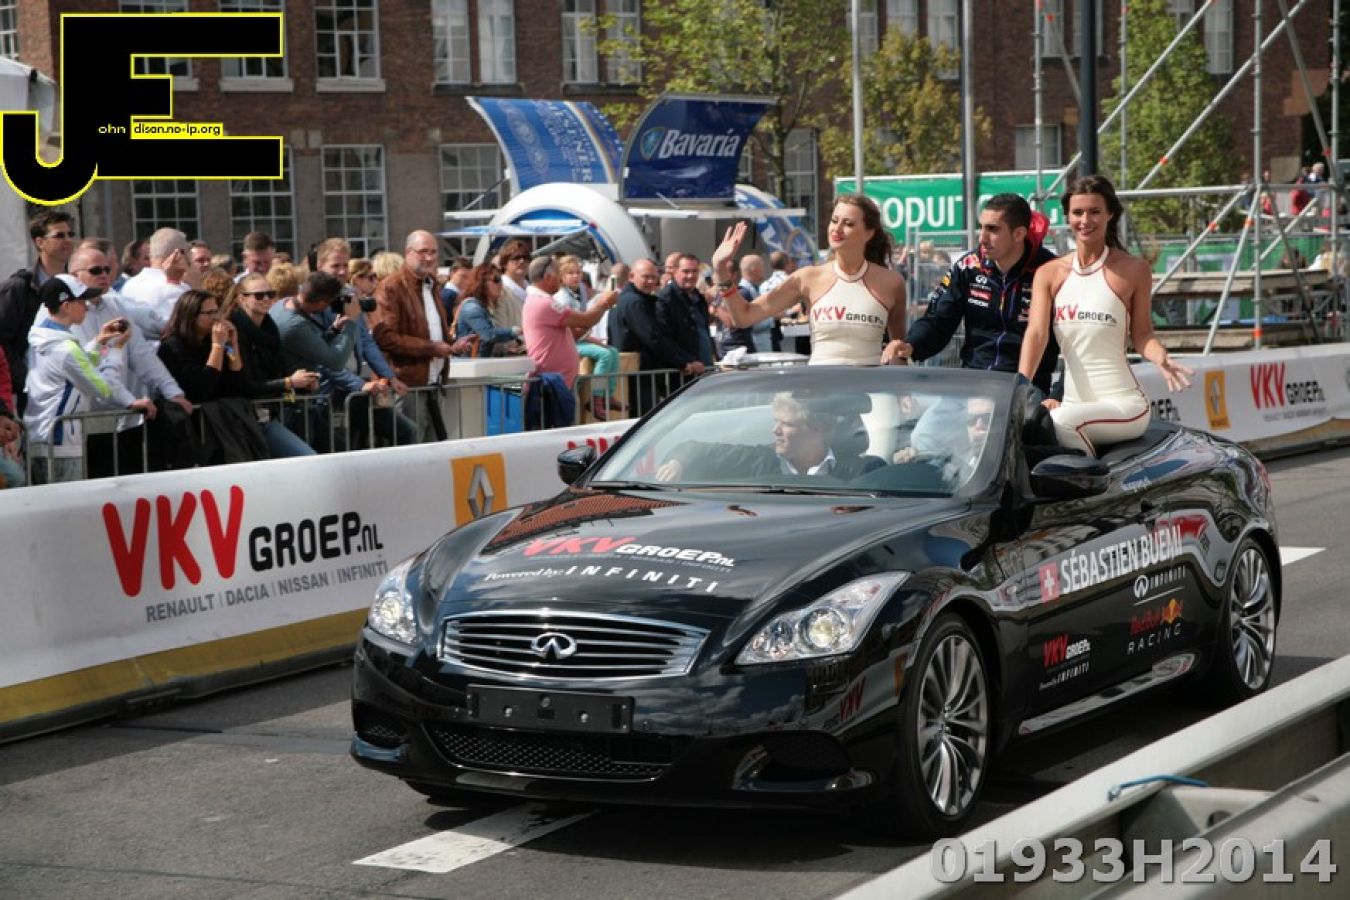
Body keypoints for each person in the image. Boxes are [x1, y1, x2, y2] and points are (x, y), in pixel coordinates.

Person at [1019, 175, 1195, 457]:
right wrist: (1020, 386)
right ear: (1067, 216)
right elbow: (1036, 334)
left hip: (1124, 406)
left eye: (1094, 211)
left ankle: (1097, 482)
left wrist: (1160, 356)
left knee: (1060, 422)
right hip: (1073, 405)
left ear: (1110, 214)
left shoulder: (1134, 269)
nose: (1085, 220)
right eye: (1077, 212)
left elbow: (1142, 335)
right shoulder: (1049, 273)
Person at [886, 193, 1062, 393]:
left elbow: (1073, 339)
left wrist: (1057, 395)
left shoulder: (1050, 271)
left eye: (993, 229)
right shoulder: (968, 266)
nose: (982, 238)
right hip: (973, 384)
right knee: (930, 414)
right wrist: (911, 345)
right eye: (981, 227)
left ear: (1019, 234)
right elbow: (938, 319)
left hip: (1027, 389)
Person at [710, 194, 908, 366]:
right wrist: (720, 269)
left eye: (848, 224)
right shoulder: (807, 277)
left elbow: (899, 351)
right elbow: (743, 317)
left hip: (870, 391)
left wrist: (902, 383)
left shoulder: (892, 283)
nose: (837, 229)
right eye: (834, 221)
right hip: (822, 389)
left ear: (869, 233)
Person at [24, 275, 152, 483]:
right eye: (82, 301)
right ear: (66, 305)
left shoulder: (43, 338)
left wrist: (100, 342)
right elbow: (104, 388)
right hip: (61, 444)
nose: (87, 306)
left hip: (39, 439)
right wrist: (117, 349)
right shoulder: (66, 348)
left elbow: (77, 367)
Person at [655, 392, 881, 482]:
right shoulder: (760, 459)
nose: (775, 430)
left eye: (786, 424)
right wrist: (678, 463)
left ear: (818, 429)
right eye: (776, 421)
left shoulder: (861, 471)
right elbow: (698, 450)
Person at [371, 230, 457, 441]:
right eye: (423, 251)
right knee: (411, 449)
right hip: (407, 384)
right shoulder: (391, 287)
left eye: (433, 252)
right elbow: (385, 337)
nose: (429, 257)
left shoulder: (432, 285)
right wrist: (431, 348)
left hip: (434, 382)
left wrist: (452, 344)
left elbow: (432, 329)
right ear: (408, 252)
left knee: (434, 450)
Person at [221, 274, 320, 457]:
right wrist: (289, 382)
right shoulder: (233, 331)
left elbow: (278, 370)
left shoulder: (269, 327)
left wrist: (302, 384)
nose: (266, 299)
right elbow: (243, 384)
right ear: (241, 298)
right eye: (259, 295)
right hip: (243, 419)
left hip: (270, 413)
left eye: (270, 294)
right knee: (307, 458)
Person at [522, 256, 617, 426]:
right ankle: (598, 398)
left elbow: (576, 332)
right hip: (553, 387)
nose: (561, 279)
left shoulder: (541, 301)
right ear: (547, 277)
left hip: (558, 384)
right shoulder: (544, 303)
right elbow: (586, 320)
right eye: (558, 273)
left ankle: (601, 396)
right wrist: (604, 303)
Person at [0, 211, 75, 416]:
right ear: (40, 242)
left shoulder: (76, 285)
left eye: (70, 234)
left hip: (69, 389)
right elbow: (2, 339)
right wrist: (26, 377)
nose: (68, 240)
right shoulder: (18, 288)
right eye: (59, 235)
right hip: (30, 395)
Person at [554, 255, 622, 420]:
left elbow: (583, 322)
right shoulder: (561, 297)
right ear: (561, 277)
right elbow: (571, 329)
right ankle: (596, 397)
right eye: (570, 273)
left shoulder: (581, 292)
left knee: (613, 352)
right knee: (604, 354)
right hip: (568, 341)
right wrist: (590, 337)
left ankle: (607, 394)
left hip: (580, 337)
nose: (575, 276)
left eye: (578, 272)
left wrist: (588, 335)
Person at [119, 227, 195, 341]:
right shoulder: (178, 289)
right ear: (178, 254)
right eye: (188, 252)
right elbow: (190, 329)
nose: (191, 257)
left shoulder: (129, 285)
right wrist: (197, 286)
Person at [454, 264, 521, 357]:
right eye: (496, 279)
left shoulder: (482, 306)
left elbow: (485, 343)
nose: (501, 284)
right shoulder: (472, 307)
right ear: (481, 282)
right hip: (469, 364)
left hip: (478, 363)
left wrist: (506, 349)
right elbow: (488, 334)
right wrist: (517, 331)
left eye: (501, 280)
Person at [494, 238, 529, 332]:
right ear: (504, 264)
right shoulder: (500, 290)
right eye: (516, 257)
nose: (522, 261)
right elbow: (500, 328)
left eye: (526, 257)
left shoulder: (532, 289)